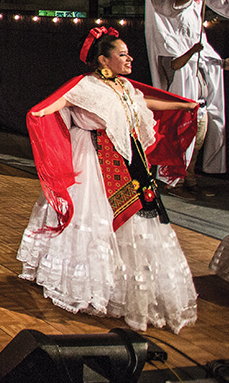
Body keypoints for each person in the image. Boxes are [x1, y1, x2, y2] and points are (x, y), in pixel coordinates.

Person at [21, 27, 199, 333]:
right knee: (90, 216)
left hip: (125, 159)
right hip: (91, 157)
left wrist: (183, 105)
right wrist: (38, 115)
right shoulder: (85, 86)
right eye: (122, 54)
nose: (129, 59)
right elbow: (59, 103)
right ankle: (83, 285)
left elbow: (147, 104)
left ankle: (122, 288)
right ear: (103, 60)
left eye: (129, 53)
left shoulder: (126, 87)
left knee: (135, 221)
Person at [136, 0, 228, 195]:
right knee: (183, 114)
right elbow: (169, 6)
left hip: (198, 45)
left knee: (210, 113)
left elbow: (219, 1)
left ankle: (190, 174)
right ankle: (173, 176)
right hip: (174, 49)